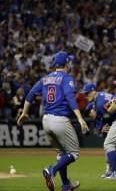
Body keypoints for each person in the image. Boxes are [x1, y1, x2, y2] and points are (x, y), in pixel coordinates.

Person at [17, 51, 89, 191]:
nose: (70, 64)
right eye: (69, 62)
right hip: (59, 120)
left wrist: (24, 113)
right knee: (74, 153)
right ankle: (52, 170)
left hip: (46, 120)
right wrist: (80, 119)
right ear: (66, 63)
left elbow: (30, 94)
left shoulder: (45, 79)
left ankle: (66, 185)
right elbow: (69, 97)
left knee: (62, 154)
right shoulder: (66, 78)